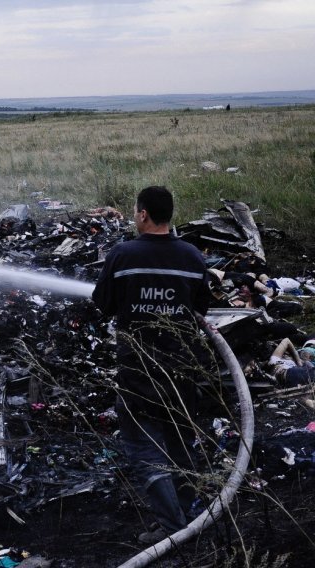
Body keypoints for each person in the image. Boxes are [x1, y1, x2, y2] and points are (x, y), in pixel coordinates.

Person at [93, 186, 211, 544]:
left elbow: (104, 304)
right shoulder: (192, 257)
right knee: (179, 441)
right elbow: (200, 309)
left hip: (138, 371)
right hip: (182, 369)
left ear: (143, 214)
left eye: (135, 211)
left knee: (143, 445)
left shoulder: (123, 254)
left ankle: (173, 525)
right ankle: (192, 512)